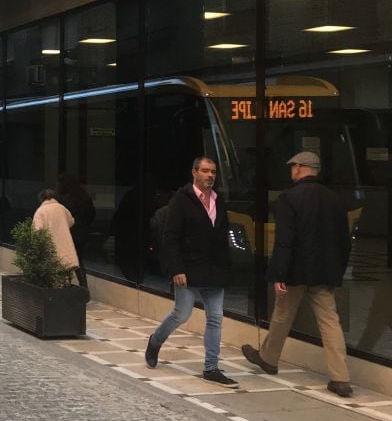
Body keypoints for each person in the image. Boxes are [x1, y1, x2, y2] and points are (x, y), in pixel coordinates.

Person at [241, 151, 354, 398]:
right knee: (330, 322)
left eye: (293, 167)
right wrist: (337, 271)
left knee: (282, 315)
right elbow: (344, 241)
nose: (291, 170)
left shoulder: (289, 198)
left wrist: (278, 273)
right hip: (323, 273)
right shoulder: (335, 200)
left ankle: (269, 359)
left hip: (295, 271)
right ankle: (341, 378)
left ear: (301, 168)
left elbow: (285, 240)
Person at [145, 156, 237, 386]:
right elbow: (171, 237)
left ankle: (211, 367)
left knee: (215, 318)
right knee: (181, 314)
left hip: (214, 271)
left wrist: (226, 267)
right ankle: (155, 341)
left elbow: (223, 235)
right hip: (189, 269)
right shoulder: (181, 200)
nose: (210, 176)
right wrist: (176, 268)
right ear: (194, 173)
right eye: (205, 171)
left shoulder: (219, 201)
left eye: (213, 172)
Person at [32, 189, 86, 288]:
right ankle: (76, 292)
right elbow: (71, 221)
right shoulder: (62, 208)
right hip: (65, 244)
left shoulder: (40, 211)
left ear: (42, 199)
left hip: (50, 246)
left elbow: (37, 231)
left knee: (53, 275)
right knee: (66, 269)